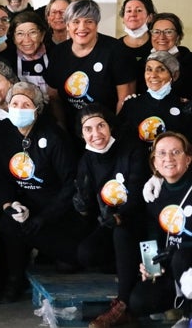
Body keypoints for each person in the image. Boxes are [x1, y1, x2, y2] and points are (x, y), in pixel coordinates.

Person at [0, 82, 85, 302]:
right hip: (26, 206)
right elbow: (2, 177)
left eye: (26, 104)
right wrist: (8, 205)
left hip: (56, 213)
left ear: (37, 109)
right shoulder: (5, 135)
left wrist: (44, 218)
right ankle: (15, 279)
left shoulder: (54, 137)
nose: (19, 108)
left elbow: (70, 184)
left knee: (72, 260)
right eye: (14, 103)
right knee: (9, 224)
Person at [72, 104, 149, 328]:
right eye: (88, 129)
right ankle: (130, 267)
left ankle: (123, 304)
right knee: (86, 253)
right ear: (82, 133)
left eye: (101, 126)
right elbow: (87, 207)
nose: (96, 134)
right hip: (109, 221)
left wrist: (119, 216)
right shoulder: (86, 160)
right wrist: (82, 206)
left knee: (121, 233)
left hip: (137, 220)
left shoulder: (132, 149)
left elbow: (138, 193)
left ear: (110, 127)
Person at [44, 0, 135, 132]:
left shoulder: (115, 51)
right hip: (72, 132)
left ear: (97, 25)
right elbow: (54, 97)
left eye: (89, 21)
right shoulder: (58, 53)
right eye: (76, 21)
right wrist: (61, 129)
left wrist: (114, 133)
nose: (82, 27)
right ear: (67, 25)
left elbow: (124, 99)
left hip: (107, 132)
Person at [134, 132, 192, 328]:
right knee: (140, 302)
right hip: (171, 264)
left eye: (176, 152)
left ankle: (188, 315)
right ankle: (179, 305)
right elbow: (153, 232)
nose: (169, 158)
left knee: (182, 257)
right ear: (155, 162)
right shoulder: (154, 192)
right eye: (162, 153)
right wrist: (150, 264)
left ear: (188, 159)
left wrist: (177, 251)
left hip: (187, 261)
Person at [118, 51, 192, 150]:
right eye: (149, 69)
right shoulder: (131, 104)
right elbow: (120, 139)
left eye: (160, 70)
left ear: (174, 75)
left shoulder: (185, 107)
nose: (153, 75)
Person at [5, 11, 51, 97]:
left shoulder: (55, 55)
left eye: (32, 32)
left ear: (42, 35)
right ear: (14, 39)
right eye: (20, 34)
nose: (27, 40)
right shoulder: (7, 61)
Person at [148, 13, 192, 101]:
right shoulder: (142, 63)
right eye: (156, 32)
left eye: (168, 32)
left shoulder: (190, 61)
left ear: (178, 36)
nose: (161, 37)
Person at [118, 0, 156, 93]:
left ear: (150, 17)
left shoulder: (159, 44)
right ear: (123, 18)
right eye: (128, 11)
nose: (133, 14)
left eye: (139, 10)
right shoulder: (114, 47)